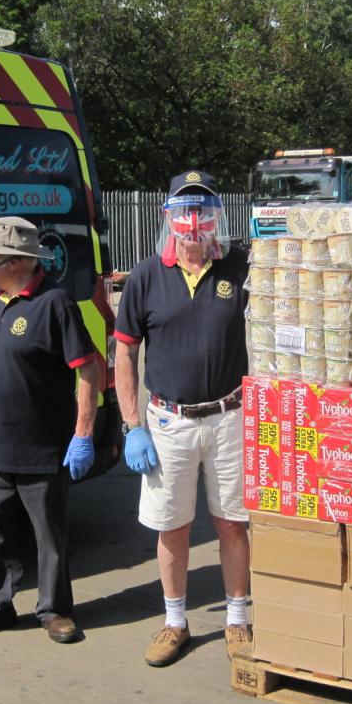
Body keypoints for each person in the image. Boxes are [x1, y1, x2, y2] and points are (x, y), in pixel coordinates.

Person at [114, 170, 252, 667]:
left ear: (218, 214)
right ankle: (175, 621)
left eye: (203, 209)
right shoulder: (145, 275)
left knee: (232, 522)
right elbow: (125, 355)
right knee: (171, 526)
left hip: (229, 415)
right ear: (167, 216)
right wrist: (132, 426)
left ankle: (237, 618)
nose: (193, 222)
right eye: (184, 210)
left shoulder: (241, 266)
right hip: (168, 421)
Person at [0, 216, 101, 644]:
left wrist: (83, 434)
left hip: (42, 448)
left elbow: (88, 369)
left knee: (49, 535)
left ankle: (53, 610)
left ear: (16, 261)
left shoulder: (55, 304)